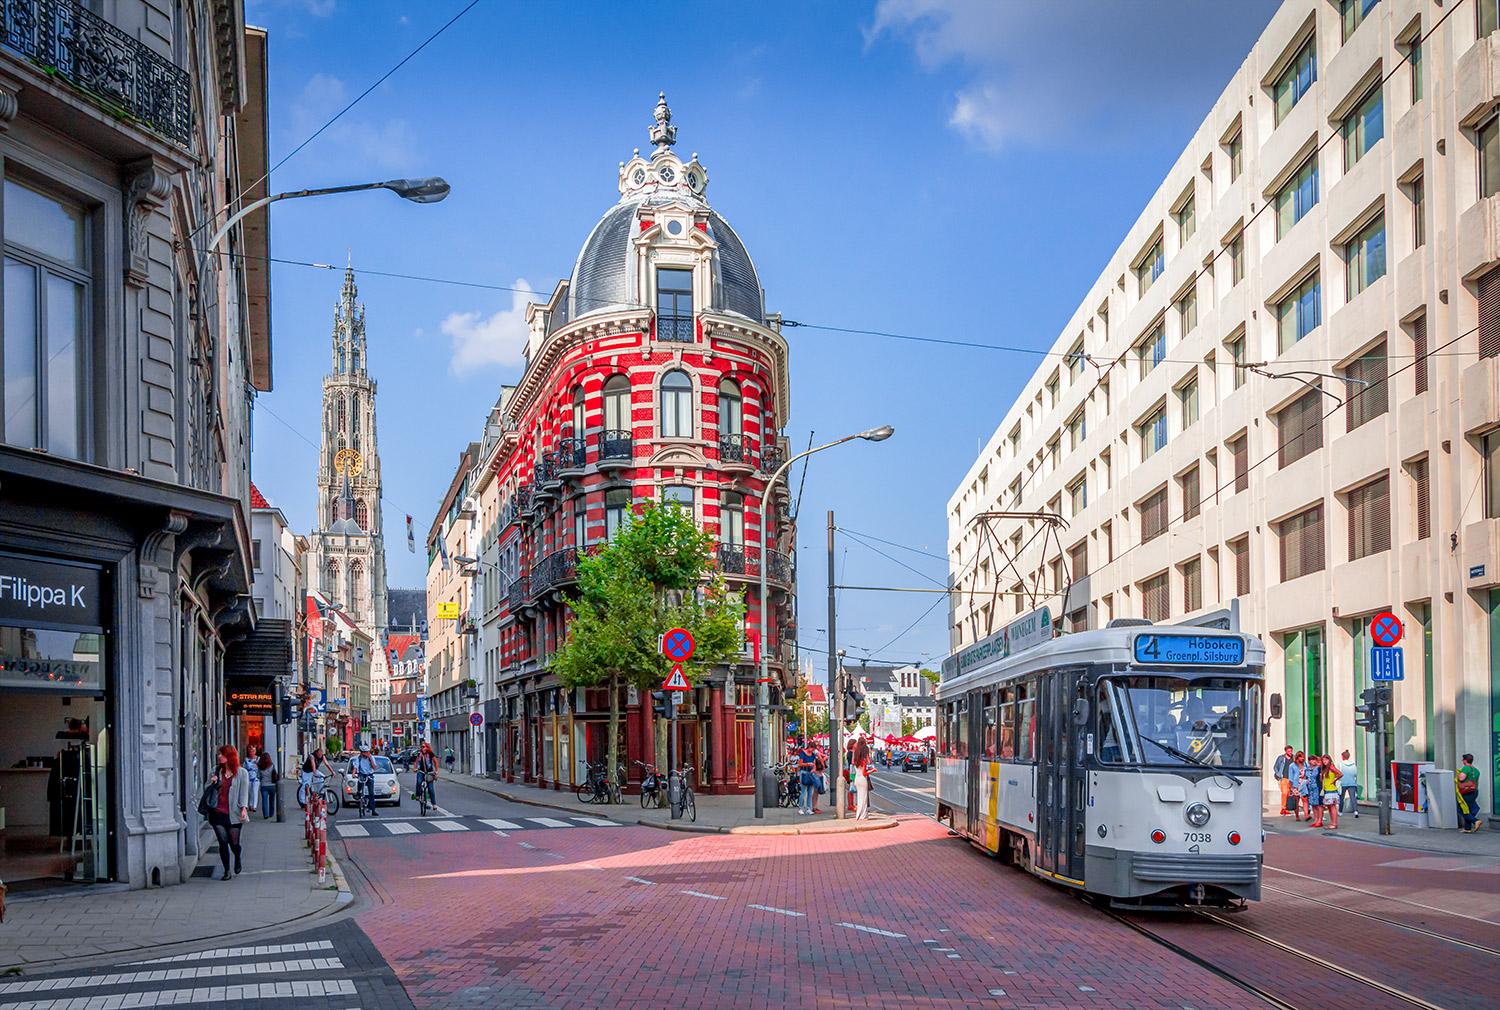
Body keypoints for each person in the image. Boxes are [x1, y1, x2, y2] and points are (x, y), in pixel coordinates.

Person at [206, 745, 251, 880]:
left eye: (222, 754)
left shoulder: (242, 773)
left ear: (230, 756)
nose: (219, 756)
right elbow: (206, 789)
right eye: (219, 754)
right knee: (222, 841)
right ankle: (227, 871)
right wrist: (212, 783)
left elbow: (244, 791)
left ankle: (237, 856)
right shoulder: (215, 770)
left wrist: (243, 808)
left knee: (234, 843)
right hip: (217, 812)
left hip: (234, 813)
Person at [1311, 755, 1341, 829]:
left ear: (1329, 760)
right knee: (1329, 807)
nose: (1324, 761)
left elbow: (1340, 774)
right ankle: (1332, 823)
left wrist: (1334, 780)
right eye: (1323, 760)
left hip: (1331, 789)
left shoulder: (1331, 767)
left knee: (1332, 807)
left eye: (1326, 760)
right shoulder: (1324, 769)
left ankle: (1334, 823)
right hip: (1326, 789)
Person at [1458, 754, 1483, 833]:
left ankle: (1475, 821)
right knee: (1468, 808)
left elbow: (1461, 778)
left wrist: (1458, 774)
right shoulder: (1476, 770)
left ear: (1465, 760)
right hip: (1474, 792)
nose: (1462, 761)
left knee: (1460, 808)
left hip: (1466, 792)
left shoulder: (1466, 768)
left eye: (1463, 759)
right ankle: (1467, 828)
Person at [351, 745, 378, 816]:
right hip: (362, 774)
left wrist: (370, 759)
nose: (366, 754)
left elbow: (374, 767)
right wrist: (353, 774)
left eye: (367, 752)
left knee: (371, 793)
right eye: (365, 752)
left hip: (369, 775)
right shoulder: (359, 758)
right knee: (360, 784)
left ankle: (373, 810)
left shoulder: (371, 758)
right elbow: (355, 767)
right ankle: (358, 793)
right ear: (361, 753)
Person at [795, 738, 818, 815]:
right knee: (803, 792)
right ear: (809, 747)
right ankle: (800, 808)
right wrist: (808, 764)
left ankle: (808, 808)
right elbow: (800, 764)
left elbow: (814, 764)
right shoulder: (802, 753)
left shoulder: (813, 755)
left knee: (810, 792)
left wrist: (814, 769)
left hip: (810, 773)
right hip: (804, 772)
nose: (812, 750)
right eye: (812, 749)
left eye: (813, 749)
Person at [852, 736, 872, 820]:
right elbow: (868, 764)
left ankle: (858, 815)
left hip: (857, 778)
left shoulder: (856, 758)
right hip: (863, 779)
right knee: (864, 798)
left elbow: (852, 762)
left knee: (859, 798)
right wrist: (873, 770)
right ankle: (863, 815)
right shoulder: (863, 761)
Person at [414, 741, 439, 808]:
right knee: (419, 782)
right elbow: (416, 762)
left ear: (427, 748)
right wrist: (415, 768)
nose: (423, 748)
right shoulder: (419, 754)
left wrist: (436, 772)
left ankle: (434, 804)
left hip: (429, 772)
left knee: (431, 788)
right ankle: (418, 795)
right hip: (421, 771)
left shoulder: (430, 754)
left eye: (424, 747)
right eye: (422, 747)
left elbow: (436, 762)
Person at [1336, 750, 1359, 818]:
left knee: (1341, 798)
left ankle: (1340, 811)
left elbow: (1338, 773)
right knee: (1353, 798)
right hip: (1352, 783)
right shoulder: (1353, 764)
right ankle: (1356, 811)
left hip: (1343, 783)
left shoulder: (1340, 764)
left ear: (1342, 756)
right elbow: (1355, 774)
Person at [1273, 745, 1294, 816]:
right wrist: (1278, 774)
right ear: (1285, 751)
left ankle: (1288, 808)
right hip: (1284, 778)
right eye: (1288, 751)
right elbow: (1275, 767)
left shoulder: (1293, 758)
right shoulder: (1281, 758)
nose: (1290, 752)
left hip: (1292, 778)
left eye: (1291, 751)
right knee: (1284, 793)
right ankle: (1283, 808)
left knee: (1289, 793)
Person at [1286, 752, 1307, 822]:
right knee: (1296, 801)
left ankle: (1306, 815)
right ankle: (1297, 816)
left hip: (1304, 784)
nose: (1302, 758)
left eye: (1303, 757)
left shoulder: (1305, 764)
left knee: (1305, 800)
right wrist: (1290, 788)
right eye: (1301, 757)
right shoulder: (1292, 766)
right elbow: (1290, 777)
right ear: (1297, 757)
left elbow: (1307, 773)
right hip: (1295, 785)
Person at [257, 749, 277, 818]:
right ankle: (271, 813)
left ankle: (266, 814)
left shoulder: (260, 767)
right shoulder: (272, 765)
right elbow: (275, 773)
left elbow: (258, 776)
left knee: (264, 800)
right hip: (272, 785)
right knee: (272, 800)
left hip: (264, 785)